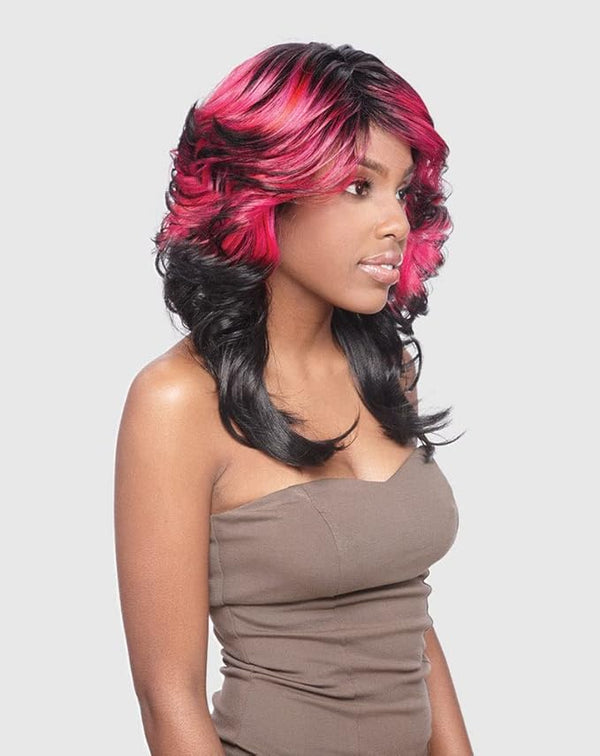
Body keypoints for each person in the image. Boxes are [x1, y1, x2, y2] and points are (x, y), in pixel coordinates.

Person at [114, 41, 473, 756]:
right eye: (359, 187)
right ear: (265, 193)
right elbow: (167, 698)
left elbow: (407, 619)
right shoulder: (176, 402)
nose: (397, 223)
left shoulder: (384, 368)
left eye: (402, 190)